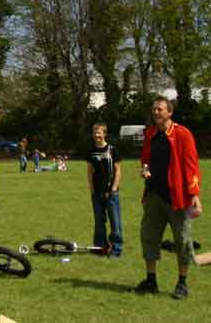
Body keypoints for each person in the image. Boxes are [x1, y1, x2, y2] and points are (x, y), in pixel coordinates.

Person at [136, 96, 203, 299]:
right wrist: (145, 171)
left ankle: (182, 283)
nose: (156, 112)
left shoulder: (183, 134)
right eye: (154, 109)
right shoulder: (150, 134)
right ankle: (151, 280)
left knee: (182, 240)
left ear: (169, 112)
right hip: (154, 195)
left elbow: (192, 166)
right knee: (148, 236)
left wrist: (194, 194)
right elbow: (145, 159)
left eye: (160, 109)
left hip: (177, 197)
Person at [86, 123, 123, 257]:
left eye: (99, 132)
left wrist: (113, 189)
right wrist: (91, 188)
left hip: (112, 192)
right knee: (99, 221)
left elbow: (118, 170)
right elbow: (90, 171)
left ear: (104, 134)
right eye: (95, 132)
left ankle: (116, 249)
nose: (97, 135)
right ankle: (100, 247)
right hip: (97, 192)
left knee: (115, 221)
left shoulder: (112, 150)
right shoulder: (91, 151)